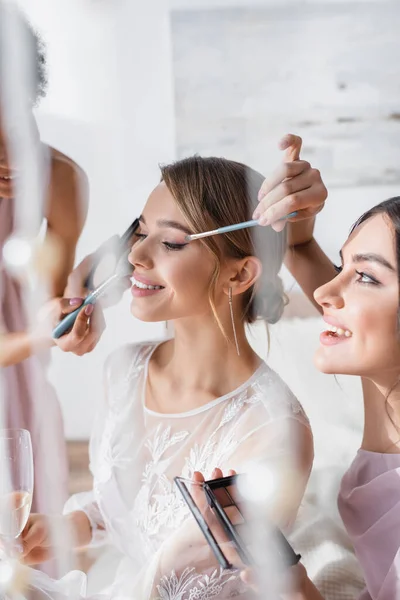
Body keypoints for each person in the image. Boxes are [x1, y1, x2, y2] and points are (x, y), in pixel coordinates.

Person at [17, 152, 328, 599]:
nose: (136, 256)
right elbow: (124, 503)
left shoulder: (275, 434)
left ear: (240, 274)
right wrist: (69, 527)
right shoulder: (124, 371)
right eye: (140, 232)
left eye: (172, 242)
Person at [248, 135, 400, 598]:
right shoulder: (386, 380)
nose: (323, 293)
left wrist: (298, 589)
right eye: (341, 266)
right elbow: (299, 247)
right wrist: (297, 204)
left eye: (367, 277)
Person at [0, 2, 104, 519]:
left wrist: (75, 307)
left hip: (15, 383)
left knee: (28, 543)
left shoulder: (59, 179)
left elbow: (48, 306)